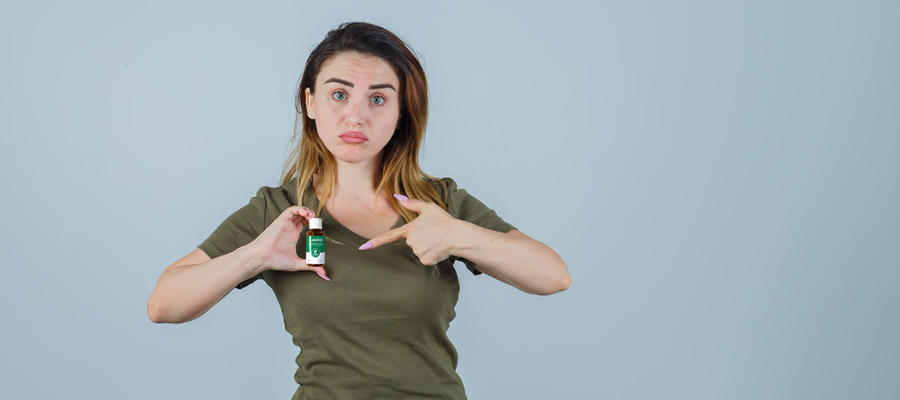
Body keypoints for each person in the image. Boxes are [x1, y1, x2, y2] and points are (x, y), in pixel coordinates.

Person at [147, 21, 570, 400]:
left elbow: (553, 276)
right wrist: (255, 256)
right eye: (339, 94)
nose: (356, 117)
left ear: (402, 112)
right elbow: (163, 304)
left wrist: (458, 235)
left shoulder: (439, 204)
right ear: (310, 103)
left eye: (378, 99)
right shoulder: (278, 212)